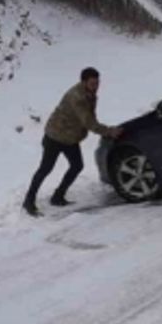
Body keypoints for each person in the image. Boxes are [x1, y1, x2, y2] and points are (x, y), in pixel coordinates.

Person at [23, 67, 122, 217]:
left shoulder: (89, 94)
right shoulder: (77, 97)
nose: (96, 86)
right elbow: (89, 122)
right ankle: (28, 201)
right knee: (45, 168)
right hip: (55, 136)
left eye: (97, 83)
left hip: (70, 138)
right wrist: (109, 131)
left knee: (77, 166)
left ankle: (58, 196)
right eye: (93, 83)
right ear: (84, 82)